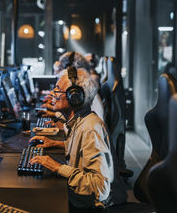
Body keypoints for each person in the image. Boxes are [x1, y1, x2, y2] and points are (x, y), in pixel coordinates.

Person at [29, 68, 126, 212]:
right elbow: (81, 151)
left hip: (97, 207)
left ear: (74, 96)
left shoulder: (90, 128)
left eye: (57, 90)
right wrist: (55, 143)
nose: (52, 95)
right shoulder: (78, 121)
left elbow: (100, 188)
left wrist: (57, 167)